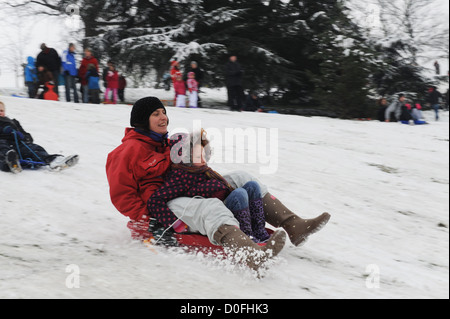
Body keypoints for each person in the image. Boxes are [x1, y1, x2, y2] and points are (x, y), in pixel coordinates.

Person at [106, 97, 331, 271]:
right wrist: (149, 221)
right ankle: (250, 254)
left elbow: (192, 155)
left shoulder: (167, 141)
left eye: (164, 112)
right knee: (210, 208)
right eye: (156, 114)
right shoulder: (126, 152)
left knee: (243, 177)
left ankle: (294, 225)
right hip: (162, 205)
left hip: (187, 187)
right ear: (142, 120)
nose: (163, 117)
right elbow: (121, 196)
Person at [148, 130, 271, 244]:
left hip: (223, 207)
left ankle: (259, 230)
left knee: (252, 186)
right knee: (240, 194)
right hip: (213, 215)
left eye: (203, 154)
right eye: (197, 156)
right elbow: (154, 201)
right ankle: (247, 237)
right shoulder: (181, 176)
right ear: (187, 157)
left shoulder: (203, 170)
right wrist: (176, 224)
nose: (202, 159)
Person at [0, 101, 79, 173]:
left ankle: (54, 161)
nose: (0, 113)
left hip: (17, 145)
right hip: (3, 145)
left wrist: (22, 136)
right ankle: (10, 162)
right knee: (3, 147)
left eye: (1, 111)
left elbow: (28, 138)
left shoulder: (13, 122)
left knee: (34, 148)